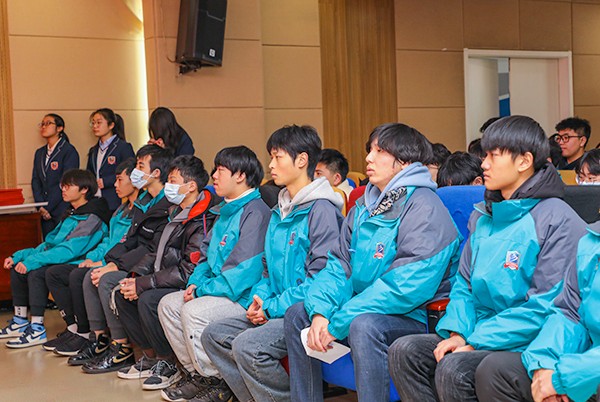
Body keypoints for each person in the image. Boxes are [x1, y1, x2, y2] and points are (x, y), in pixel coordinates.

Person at [387, 115, 587, 402]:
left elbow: (546, 306)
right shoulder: (485, 215)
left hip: (528, 340)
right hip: (480, 330)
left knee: (455, 367)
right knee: (405, 351)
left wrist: (476, 340)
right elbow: (464, 286)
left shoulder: (557, 218)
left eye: (494, 155)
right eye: (485, 155)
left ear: (524, 161)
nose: (484, 164)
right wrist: (458, 333)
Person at [285, 123, 462, 402]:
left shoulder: (424, 206)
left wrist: (339, 321)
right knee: (299, 314)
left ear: (404, 161)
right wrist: (321, 311)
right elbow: (339, 266)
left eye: (380, 151)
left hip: (415, 316)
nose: (368, 157)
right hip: (363, 308)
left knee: (364, 325)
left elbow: (405, 287)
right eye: (370, 150)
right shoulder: (364, 206)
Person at [200, 125, 344, 402]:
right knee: (214, 335)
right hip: (276, 308)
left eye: (278, 157)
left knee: (248, 347)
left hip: (304, 312)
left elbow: (321, 281)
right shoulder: (279, 211)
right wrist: (260, 300)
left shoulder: (322, 211)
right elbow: (267, 271)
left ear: (302, 160)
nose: (271, 165)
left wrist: (270, 307)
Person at [158, 146, 271, 401]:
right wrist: (195, 283)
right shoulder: (225, 210)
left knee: (192, 311)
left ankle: (218, 381)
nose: (214, 176)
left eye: (220, 170)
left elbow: (243, 275)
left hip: (241, 297)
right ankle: (197, 376)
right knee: (168, 305)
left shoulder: (256, 213)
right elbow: (205, 256)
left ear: (240, 175)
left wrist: (202, 290)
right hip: (217, 289)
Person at [112, 155, 219, 391]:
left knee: (149, 299)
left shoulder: (202, 218)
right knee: (122, 293)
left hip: (185, 282)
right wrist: (135, 276)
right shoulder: (174, 212)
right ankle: (150, 358)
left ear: (191, 186)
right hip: (166, 275)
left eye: (173, 181)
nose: (168, 186)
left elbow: (188, 271)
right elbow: (156, 251)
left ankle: (168, 362)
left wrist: (144, 284)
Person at [474, 220, 600, 402]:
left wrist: (562, 379)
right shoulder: (590, 243)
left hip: (586, 371)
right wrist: (544, 364)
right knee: (495, 371)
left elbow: (540, 307)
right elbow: (570, 313)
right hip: (583, 362)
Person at [76, 144, 173, 373]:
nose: (136, 172)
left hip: (152, 264)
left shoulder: (167, 204)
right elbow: (130, 240)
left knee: (108, 281)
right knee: (92, 275)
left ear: (156, 173)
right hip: (136, 259)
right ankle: (102, 340)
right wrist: (109, 262)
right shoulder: (143, 200)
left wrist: (116, 266)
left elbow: (152, 247)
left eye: (140, 166)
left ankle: (123, 349)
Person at [0, 169, 110, 348]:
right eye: (62, 186)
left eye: (68, 186)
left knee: (37, 272)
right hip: (65, 259)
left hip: (78, 261)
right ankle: (20, 321)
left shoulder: (92, 216)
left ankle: (38, 328)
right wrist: (20, 256)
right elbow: (50, 244)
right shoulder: (72, 213)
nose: (63, 190)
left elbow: (69, 250)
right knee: (18, 267)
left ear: (84, 189)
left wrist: (32, 261)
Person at [43, 158, 138, 355]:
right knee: (60, 273)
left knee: (82, 276)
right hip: (107, 259)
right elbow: (108, 240)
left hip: (122, 262)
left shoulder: (139, 211)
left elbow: (128, 245)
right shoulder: (120, 210)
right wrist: (93, 258)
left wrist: (102, 263)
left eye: (120, 180)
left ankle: (98, 337)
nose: (115, 185)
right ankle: (81, 330)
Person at [32, 113, 80, 238]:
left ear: (59, 128)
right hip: (43, 211)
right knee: (48, 243)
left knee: (63, 242)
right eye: (42, 124)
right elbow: (35, 181)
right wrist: (40, 206)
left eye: (48, 123)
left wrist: (49, 207)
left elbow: (66, 182)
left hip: (61, 207)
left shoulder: (68, 150)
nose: (44, 126)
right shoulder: (39, 153)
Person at [86, 108, 135, 211]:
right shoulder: (93, 150)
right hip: (95, 199)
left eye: (99, 122)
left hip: (114, 199)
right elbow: (89, 173)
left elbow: (130, 171)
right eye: (93, 123)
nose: (95, 126)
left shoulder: (123, 147)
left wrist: (107, 181)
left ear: (111, 125)